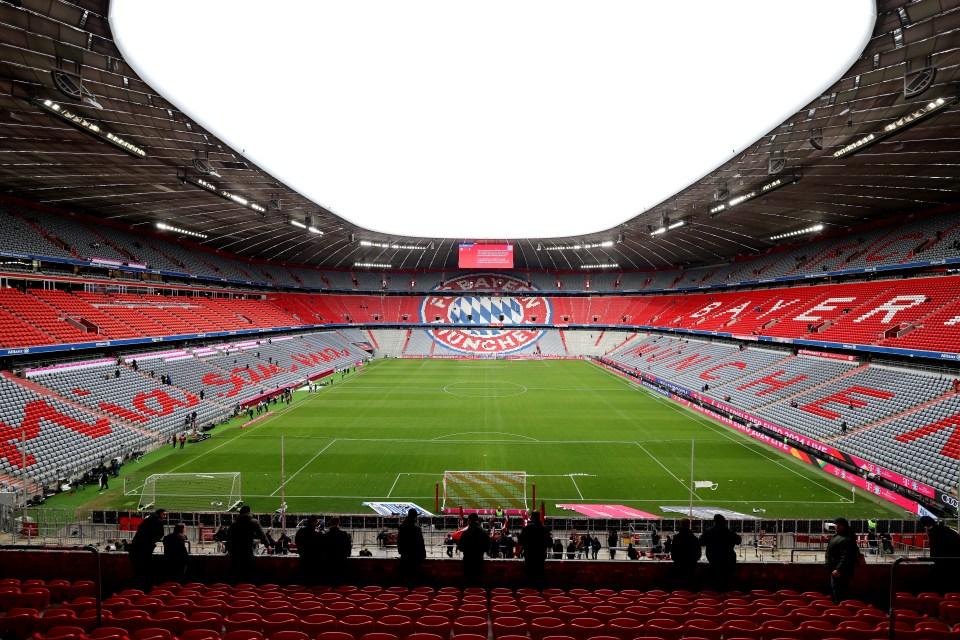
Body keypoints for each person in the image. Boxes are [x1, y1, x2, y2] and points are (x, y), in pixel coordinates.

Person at [226, 505, 268, 580]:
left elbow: (228, 537)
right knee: (248, 573)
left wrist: (228, 549)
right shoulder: (253, 522)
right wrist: (268, 545)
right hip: (247, 551)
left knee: (236, 574)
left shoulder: (234, 524)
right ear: (249, 512)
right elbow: (261, 534)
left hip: (235, 552)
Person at [699, 514, 741, 590]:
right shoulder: (729, 532)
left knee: (715, 585)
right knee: (726, 585)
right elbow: (738, 541)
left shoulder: (709, 532)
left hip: (714, 561)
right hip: (728, 561)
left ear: (714, 522)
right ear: (724, 522)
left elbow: (701, 542)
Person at [920, 515, 960, 593]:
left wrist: (933, 559)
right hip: (955, 560)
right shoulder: (946, 529)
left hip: (945, 562)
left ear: (925, 526)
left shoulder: (933, 533)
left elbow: (935, 550)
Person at [825, 517, 861, 603]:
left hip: (839, 572)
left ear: (843, 526)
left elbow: (846, 556)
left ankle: (840, 607)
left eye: (838, 525)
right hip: (835, 570)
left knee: (839, 592)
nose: (836, 527)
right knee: (836, 590)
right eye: (836, 525)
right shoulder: (840, 535)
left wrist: (838, 569)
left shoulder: (847, 539)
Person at [128, 508, 166, 588]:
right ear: (160, 514)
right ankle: (145, 587)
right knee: (145, 568)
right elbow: (160, 534)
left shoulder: (148, 518)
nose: (165, 516)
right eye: (164, 514)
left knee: (138, 569)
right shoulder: (158, 521)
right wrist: (152, 542)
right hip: (145, 547)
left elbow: (140, 528)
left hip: (137, 547)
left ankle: (138, 586)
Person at [457, 513, 490, 585]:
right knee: (478, 584)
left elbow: (460, 547)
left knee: (468, 584)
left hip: (468, 562)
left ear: (469, 521)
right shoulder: (484, 532)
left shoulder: (465, 533)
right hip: (479, 561)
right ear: (477, 520)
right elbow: (487, 548)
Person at [518, 512, 551, 586]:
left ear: (531, 518)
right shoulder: (544, 529)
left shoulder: (526, 528)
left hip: (529, 557)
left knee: (529, 579)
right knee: (539, 578)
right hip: (540, 558)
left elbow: (520, 542)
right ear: (539, 517)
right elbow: (550, 544)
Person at [397, 508, 426, 584]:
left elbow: (399, 541)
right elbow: (421, 543)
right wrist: (423, 555)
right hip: (414, 557)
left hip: (405, 556)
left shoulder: (402, 527)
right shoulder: (416, 529)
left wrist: (401, 552)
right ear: (415, 517)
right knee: (413, 580)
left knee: (405, 580)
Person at [670, 519, 702, 588]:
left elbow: (673, 553)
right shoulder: (694, 538)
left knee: (679, 587)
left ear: (681, 525)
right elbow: (698, 553)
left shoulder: (676, 538)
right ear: (689, 525)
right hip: (691, 566)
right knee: (690, 586)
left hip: (679, 566)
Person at [323, 517, 352, 585]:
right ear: (338, 523)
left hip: (329, 561)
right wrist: (347, 555)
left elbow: (323, 549)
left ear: (330, 523)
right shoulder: (343, 534)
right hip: (341, 560)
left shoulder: (326, 535)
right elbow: (348, 547)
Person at [295, 516, 323, 583]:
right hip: (315, 562)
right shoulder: (318, 534)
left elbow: (297, 543)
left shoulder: (300, 531)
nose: (317, 523)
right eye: (316, 522)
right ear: (313, 522)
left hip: (303, 559)